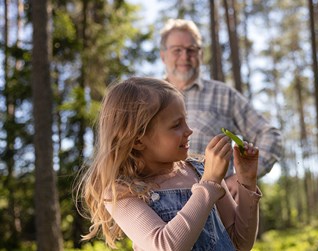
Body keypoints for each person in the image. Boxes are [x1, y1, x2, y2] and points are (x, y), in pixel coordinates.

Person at [75, 77, 262, 250]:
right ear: (138, 140)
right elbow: (165, 246)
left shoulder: (201, 170)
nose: (189, 131)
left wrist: (246, 180)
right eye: (176, 125)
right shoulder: (121, 191)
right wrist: (209, 184)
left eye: (186, 120)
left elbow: (240, 243)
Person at [159, 18, 282, 198]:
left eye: (191, 50)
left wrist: (241, 177)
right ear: (163, 55)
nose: (185, 56)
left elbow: (270, 135)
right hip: (161, 211)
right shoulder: (150, 98)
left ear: (200, 54)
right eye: (177, 50)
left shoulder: (223, 95)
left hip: (218, 211)